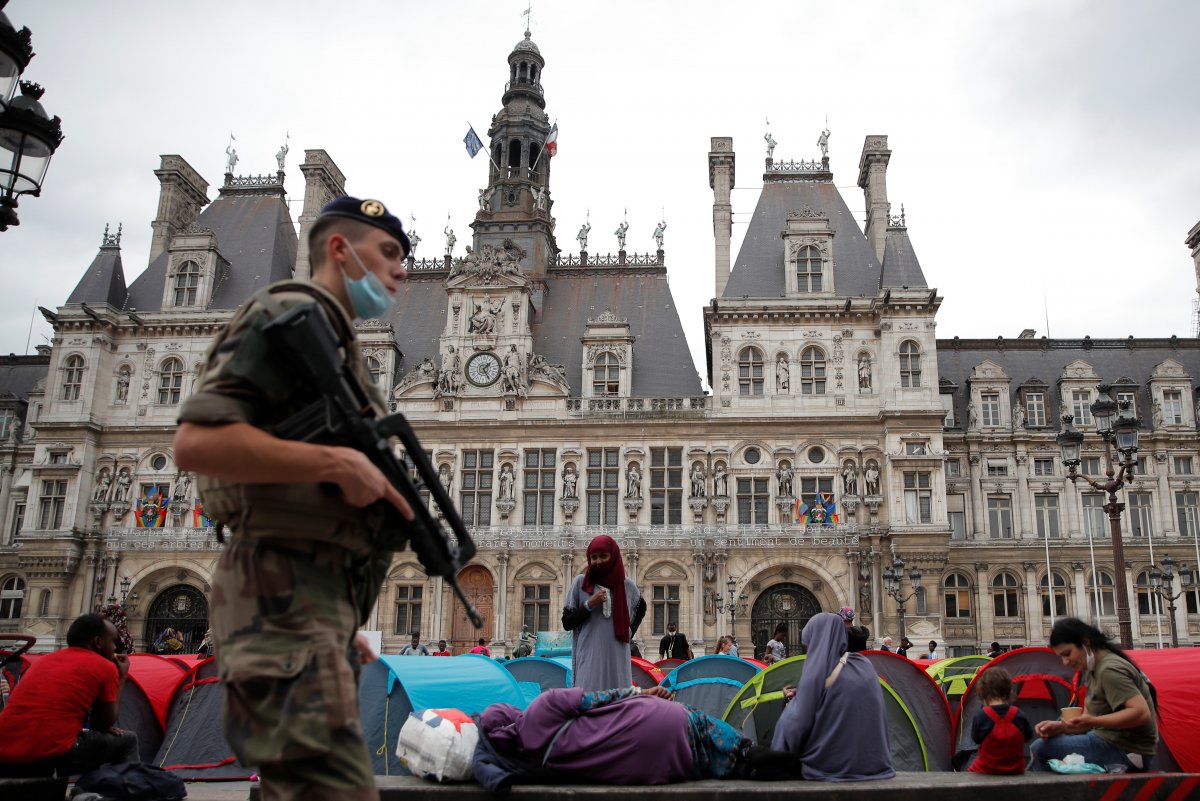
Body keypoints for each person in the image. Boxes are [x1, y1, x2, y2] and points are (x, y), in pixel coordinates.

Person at [174, 195, 416, 801]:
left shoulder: (342, 351)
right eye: (388, 252)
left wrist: (339, 613)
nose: (403, 269)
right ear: (339, 248)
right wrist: (336, 461)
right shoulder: (287, 314)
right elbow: (198, 440)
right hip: (275, 604)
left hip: (309, 608)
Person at [473, 685, 747, 790]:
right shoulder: (544, 706)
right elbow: (603, 699)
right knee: (742, 750)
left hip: (659, 764)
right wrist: (643, 692)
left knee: (742, 765)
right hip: (669, 722)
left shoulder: (529, 760)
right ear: (511, 712)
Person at [0, 614, 138, 775]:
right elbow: (101, 725)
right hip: (49, 753)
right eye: (112, 641)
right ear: (98, 642)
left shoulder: (45, 660)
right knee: (128, 740)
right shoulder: (104, 667)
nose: (115, 647)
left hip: (5, 749)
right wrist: (122, 677)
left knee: (83, 740)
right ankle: (127, 787)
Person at [770, 612, 894, 781]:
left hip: (831, 768)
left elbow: (793, 727)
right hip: (877, 766)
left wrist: (791, 704)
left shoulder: (816, 673)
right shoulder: (863, 664)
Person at [1030, 618, 1157, 773]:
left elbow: (1141, 714)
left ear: (1085, 642)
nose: (1065, 662)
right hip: (1111, 742)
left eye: (1067, 654)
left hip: (1124, 750)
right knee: (1045, 744)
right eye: (1061, 657)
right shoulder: (1093, 668)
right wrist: (1062, 727)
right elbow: (1087, 719)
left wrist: (1092, 722)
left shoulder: (1109, 669)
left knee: (1040, 749)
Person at [562, 535, 646, 691]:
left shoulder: (626, 585)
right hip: (589, 654)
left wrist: (628, 632)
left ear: (613, 557)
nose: (598, 561)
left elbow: (641, 608)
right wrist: (589, 604)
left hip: (617, 656)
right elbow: (567, 622)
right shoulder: (581, 583)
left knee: (618, 698)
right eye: (593, 557)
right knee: (589, 697)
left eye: (603, 556)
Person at [968, 666, 1033, 774]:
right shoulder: (1018, 714)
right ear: (1009, 691)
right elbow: (1028, 736)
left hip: (987, 769)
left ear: (983, 692)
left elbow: (976, 739)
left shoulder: (981, 716)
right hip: (1015, 769)